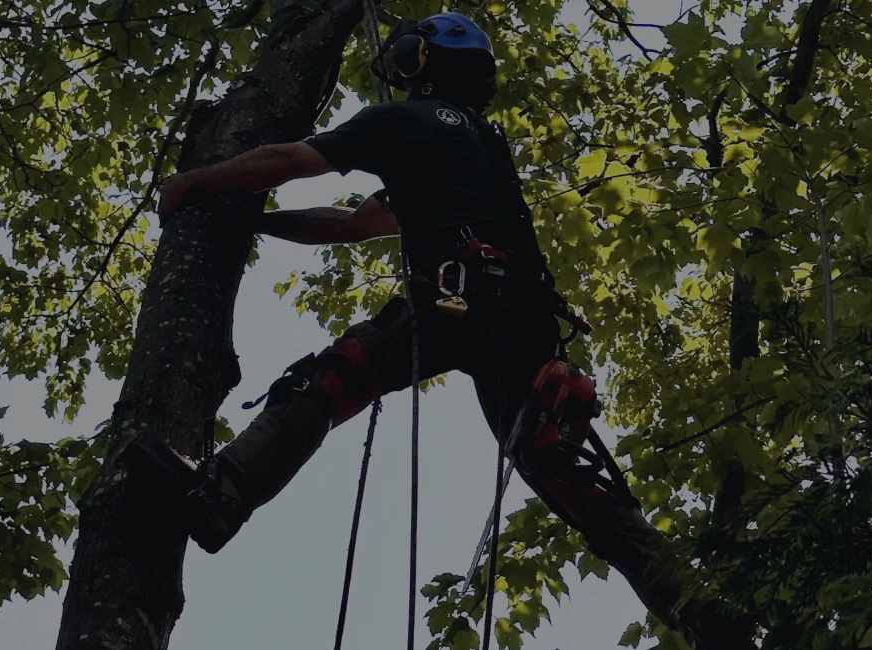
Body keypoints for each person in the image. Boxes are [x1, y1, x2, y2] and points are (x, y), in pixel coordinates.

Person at [130, 12, 751, 649]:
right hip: (524, 326)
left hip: (452, 299)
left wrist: (195, 183)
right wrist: (258, 225)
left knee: (333, 379)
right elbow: (351, 224)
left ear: (420, 61)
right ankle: (699, 609)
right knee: (571, 479)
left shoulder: (402, 121)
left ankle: (223, 491)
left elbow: (288, 159)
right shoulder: (478, 148)